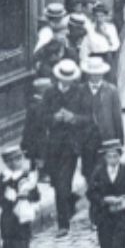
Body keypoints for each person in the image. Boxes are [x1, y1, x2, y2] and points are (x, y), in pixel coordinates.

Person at [44, 59, 90, 237]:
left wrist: (73, 118)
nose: (66, 82)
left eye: (69, 79)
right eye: (63, 79)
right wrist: (54, 117)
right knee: (56, 183)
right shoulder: (49, 93)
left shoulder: (80, 93)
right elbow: (41, 117)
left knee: (63, 182)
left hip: (71, 145)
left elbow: (87, 117)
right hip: (53, 145)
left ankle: (63, 224)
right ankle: (71, 202)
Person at [79, 58, 125, 186]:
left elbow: (117, 118)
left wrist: (120, 142)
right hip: (87, 142)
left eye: (98, 73)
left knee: (106, 174)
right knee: (89, 174)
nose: (95, 77)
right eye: (93, 74)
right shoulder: (81, 91)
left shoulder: (111, 91)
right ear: (88, 74)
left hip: (107, 140)